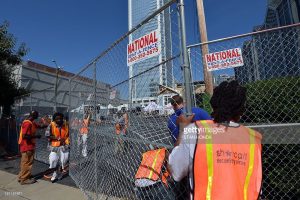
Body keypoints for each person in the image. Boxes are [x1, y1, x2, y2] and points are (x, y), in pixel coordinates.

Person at [168, 81, 263, 200]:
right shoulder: (254, 139)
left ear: (213, 105)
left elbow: (175, 171)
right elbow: (256, 185)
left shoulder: (196, 131)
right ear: (242, 111)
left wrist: (183, 130)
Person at [18, 111, 48, 185]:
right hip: (27, 146)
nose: (38, 117)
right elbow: (25, 136)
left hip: (28, 145)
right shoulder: (27, 123)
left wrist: (47, 124)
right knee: (27, 163)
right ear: (34, 116)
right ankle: (24, 179)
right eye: (37, 116)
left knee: (25, 162)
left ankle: (22, 176)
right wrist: (36, 136)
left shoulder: (31, 122)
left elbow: (39, 126)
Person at [45, 112, 70, 182]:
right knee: (53, 160)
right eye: (57, 119)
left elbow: (69, 134)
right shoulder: (51, 125)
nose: (59, 120)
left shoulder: (66, 124)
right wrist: (58, 138)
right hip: (54, 146)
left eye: (60, 119)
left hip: (64, 146)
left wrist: (68, 142)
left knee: (63, 161)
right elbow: (47, 135)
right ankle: (54, 174)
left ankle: (60, 173)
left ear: (63, 119)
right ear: (54, 120)